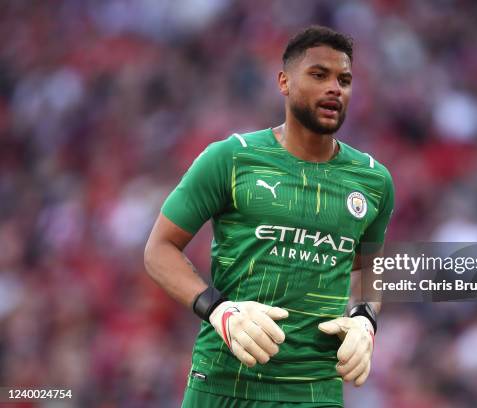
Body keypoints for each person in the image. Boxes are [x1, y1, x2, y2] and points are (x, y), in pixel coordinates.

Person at [144, 25, 394, 407]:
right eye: (318, 75)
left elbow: (367, 267)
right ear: (284, 82)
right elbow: (159, 250)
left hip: (315, 391)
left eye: (344, 79)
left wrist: (364, 318)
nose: (334, 88)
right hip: (225, 384)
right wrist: (219, 310)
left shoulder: (374, 181)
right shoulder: (230, 158)